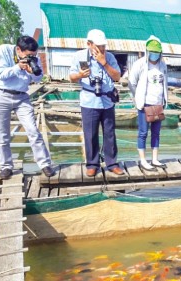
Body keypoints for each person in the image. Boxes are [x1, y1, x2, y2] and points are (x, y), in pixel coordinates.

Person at [0, 36, 55, 180]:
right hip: (1, 94)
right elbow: (1, 75)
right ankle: (6, 166)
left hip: (22, 96)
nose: (32, 57)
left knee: (33, 130)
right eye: (29, 55)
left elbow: (39, 78)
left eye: (34, 55)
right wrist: (18, 67)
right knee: (3, 135)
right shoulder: (4, 50)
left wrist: (32, 72)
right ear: (18, 50)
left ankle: (44, 164)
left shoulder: (34, 57)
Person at [69, 29, 124, 177]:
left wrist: (104, 63)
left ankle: (112, 163)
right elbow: (71, 77)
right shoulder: (79, 56)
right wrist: (80, 75)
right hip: (89, 100)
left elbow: (117, 76)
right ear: (89, 44)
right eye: (99, 46)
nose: (102, 49)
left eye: (104, 46)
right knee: (90, 134)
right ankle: (92, 164)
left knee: (110, 133)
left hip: (107, 101)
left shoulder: (110, 57)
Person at [128, 35, 168, 171]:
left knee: (156, 133)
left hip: (158, 104)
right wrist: (137, 97)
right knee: (143, 132)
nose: (154, 55)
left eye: (157, 52)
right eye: (152, 52)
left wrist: (164, 101)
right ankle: (143, 160)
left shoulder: (163, 65)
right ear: (147, 51)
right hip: (144, 104)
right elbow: (131, 82)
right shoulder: (139, 64)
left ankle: (155, 159)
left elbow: (165, 83)